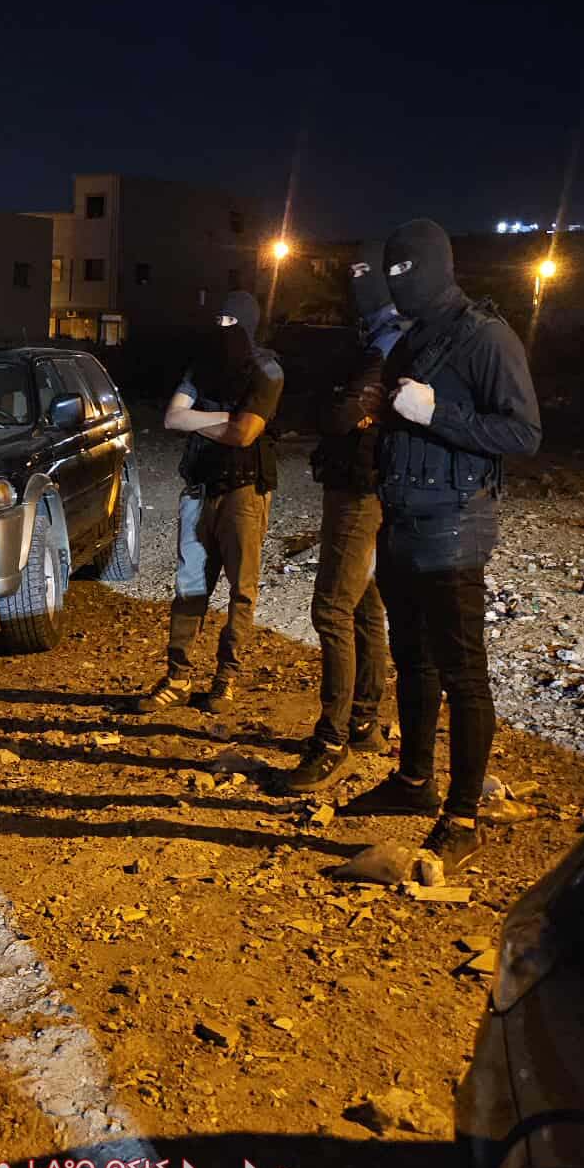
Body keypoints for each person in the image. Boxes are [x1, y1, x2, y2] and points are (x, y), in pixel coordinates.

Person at [346, 218, 541, 870]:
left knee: (463, 675)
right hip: (401, 521)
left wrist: (434, 412)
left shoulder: (487, 337)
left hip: (455, 528)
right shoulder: (412, 339)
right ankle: (413, 782)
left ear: (438, 266)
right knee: (414, 662)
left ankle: (461, 817)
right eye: (391, 272)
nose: (398, 282)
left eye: (408, 270)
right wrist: (383, 408)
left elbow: (523, 434)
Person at [265, 246, 403, 791]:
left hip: (359, 488)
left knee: (331, 609)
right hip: (371, 483)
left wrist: (336, 403)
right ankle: (364, 721)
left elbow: (341, 414)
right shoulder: (393, 337)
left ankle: (332, 738)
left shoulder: (383, 344)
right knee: (366, 607)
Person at [134, 291, 283, 717]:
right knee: (189, 588)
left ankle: (226, 679)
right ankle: (178, 677)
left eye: (230, 322)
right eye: (217, 320)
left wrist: (201, 421)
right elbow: (172, 417)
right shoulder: (202, 366)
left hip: (244, 491)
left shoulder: (267, 370)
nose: (221, 329)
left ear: (247, 324)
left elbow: (246, 434)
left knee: (241, 591)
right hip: (200, 489)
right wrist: (226, 419)